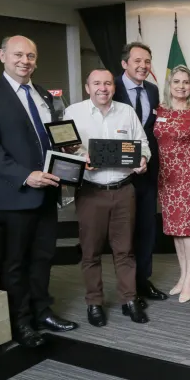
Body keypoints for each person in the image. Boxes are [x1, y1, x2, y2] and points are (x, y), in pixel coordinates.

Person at [0, 35, 78, 348]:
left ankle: (42, 311)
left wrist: (72, 154)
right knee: (14, 263)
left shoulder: (42, 94)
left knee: (43, 257)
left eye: (30, 55)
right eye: (18, 54)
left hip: (46, 192)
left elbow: (55, 138)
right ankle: (20, 323)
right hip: (12, 196)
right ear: (2, 55)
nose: (25, 61)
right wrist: (25, 176)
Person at [64, 69, 150, 326]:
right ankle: (94, 302)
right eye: (97, 83)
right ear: (87, 87)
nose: (103, 88)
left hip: (124, 190)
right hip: (91, 192)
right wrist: (81, 158)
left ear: (114, 87)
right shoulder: (73, 113)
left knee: (125, 250)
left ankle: (129, 299)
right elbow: (65, 147)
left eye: (108, 83)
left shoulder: (126, 111)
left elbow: (142, 143)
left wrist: (144, 158)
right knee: (90, 252)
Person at [113, 42, 167, 302]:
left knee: (147, 228)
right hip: (118, 174)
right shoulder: (109, 87)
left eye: (147, 61)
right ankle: (128, 287)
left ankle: (143, 280)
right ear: (124, 64)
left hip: (147, 171)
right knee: (125, 231)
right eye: (137, 61)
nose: (143, 66)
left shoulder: (154, 91)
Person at [154, 65, 190, 303]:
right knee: (176, 231)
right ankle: (182, 274)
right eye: (176, 81)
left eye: (185, 82)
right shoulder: (161, 109)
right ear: (170, 85)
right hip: (166, 179)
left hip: (189, 179)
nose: (181, 86)